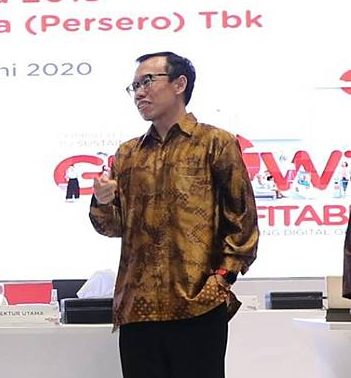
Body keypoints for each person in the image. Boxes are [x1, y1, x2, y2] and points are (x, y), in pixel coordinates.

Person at [89, 51, 259, 378]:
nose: (139, 93)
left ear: (180, 84)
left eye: (147, 82)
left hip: (198, 303)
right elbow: (112, 226)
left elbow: (242, 219)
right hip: (138, 308)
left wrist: (222, 279)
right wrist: (102, 201)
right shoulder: (128, 153)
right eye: (134, 86)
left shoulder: (215, 143)